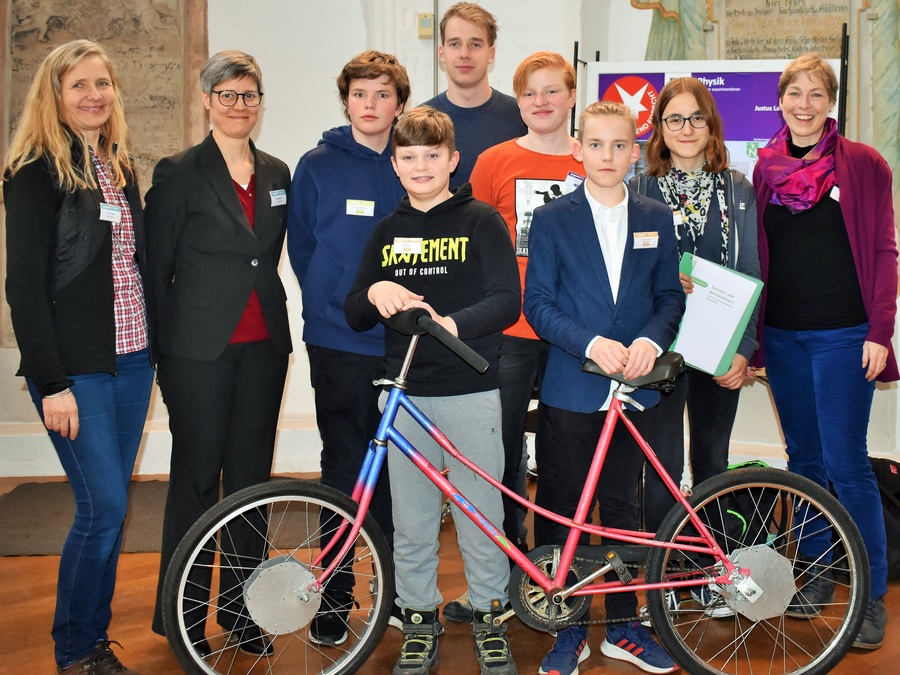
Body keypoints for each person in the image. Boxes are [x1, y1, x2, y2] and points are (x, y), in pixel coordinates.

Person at [344, 106, 520, 675]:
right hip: (405, 398)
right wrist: (375, 290)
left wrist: (450, 324)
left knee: (480, 514)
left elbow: (505, 301)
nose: (420, 166)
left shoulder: (481, 221)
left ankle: (492, 614)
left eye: (431, 155)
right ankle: (419, 617)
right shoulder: (385, 232)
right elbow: (353, 312)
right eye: (408, 157)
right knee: (414, 520)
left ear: (452, 160)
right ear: (395, 165)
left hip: (470, 392)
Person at [3, 39, 153, 674]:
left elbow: (133, 268)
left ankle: (95, 640)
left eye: (103, 83)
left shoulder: (120, 169)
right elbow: (25, 287)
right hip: (76, 370)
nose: (94, 95)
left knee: (111, 512)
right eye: (79, 85)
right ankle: (73, 649)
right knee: (104, 508)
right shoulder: (35, 174)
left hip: (134, 360)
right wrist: (51, 380)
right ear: (54, 96)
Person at [523, 100, 683, 675]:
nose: (608, 155)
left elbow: (670, 297)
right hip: (572, 387)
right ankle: (565, 627)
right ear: (578, 149)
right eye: (597, 144)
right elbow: (536, 303)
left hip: (635, 390)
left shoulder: (655, 216)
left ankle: (621, 626)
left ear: (634, 153)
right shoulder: (553, 219)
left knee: (620, 510)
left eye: (620, 145)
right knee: (565, 509)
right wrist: (591, 344)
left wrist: (650, 341)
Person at [146, 50, 292, 656]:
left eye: (249, 95)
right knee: (198, 481)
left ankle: (239, 614)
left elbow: (270, 255)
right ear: (206, 101)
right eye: (227, 95)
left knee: (251, 484)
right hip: (197, 354)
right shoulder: (179, 172)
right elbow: (156, 269)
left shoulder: (279, 172)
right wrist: (161, 357)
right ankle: (181, 620)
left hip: (264, 349)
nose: (239, 106)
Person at [753, 53, 897, 650]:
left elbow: (886, 252)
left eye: (817, 95)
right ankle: (813, 573)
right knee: (803, 461)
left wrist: (879, 334)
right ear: (781, 99)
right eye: (795, 94)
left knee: (847, 463)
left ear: (829, 103)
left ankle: (869, 594)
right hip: (784, 335)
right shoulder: (764, 168)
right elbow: (756, 252)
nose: (805, 105)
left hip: (845, 335)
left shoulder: (863, 164)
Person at [286, 49, 410, 642]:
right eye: (361, 94)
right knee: (342, 470)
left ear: (399, 104)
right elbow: (303, 250)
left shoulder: (416, 162)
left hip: (406, 347)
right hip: (337, 342)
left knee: (397, 473)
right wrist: (334, 301)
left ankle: (391, 597)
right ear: (346, 101)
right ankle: (335, 600)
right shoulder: (316, 165)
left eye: (382, 94)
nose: (371, 105)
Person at [629, 77, 760, 541]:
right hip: (658, 344)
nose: (686, 128)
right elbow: (623, 270)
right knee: (661, 461)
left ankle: (710, 568)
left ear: (711, 125)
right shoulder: (639, 187)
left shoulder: (737, 187)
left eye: (696, 117)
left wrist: (744, 349)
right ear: (660, 128)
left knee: (711, 458)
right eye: (674, 119)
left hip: (719, 346)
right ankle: (667, 567)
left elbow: (751, 270)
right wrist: (661, 278)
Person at [470, 51, 585, 562]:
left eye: (551, 90)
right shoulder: (494, 161)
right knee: (502, 450)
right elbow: (471, 246)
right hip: (510, 330)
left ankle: (555, 561)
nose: (540, 101)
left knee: (564, 451)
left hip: (574, 331)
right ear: (518, 102)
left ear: (572, 95)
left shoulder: (594, 160)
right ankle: (506, 558)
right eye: (529, 93)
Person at [420, 1, 525, 188]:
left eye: (475, 44)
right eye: (455, 44)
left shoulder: (521, 117)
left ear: (491, 53)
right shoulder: (420, 121)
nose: (464, 54)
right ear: (441, 53)